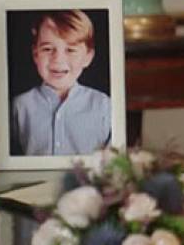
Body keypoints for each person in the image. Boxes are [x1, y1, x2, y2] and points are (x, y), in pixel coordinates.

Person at [11, 10, 112, 156]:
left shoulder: (103, 106)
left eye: (70, 50)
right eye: (47, 49)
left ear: (88, 57)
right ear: (35, 54)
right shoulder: (19, 107)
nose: (58, 59)